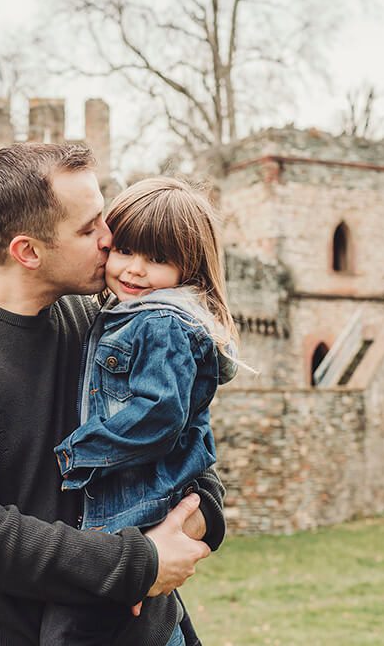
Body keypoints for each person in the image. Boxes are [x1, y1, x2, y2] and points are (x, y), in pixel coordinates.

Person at [0, 144, 226, 645]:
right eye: (89, 229)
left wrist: (188, 533)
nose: (110, 240)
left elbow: (193, 463)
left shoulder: (104, 323)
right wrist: (140, 563)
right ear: (28, 251)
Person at [45, 177, 256, 645]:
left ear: (189, 268)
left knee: (78, 625)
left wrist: (74, 454)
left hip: (139, 498)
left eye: (158, 259)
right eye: (126, 251)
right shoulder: (124, 313)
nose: (135, 270)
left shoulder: (160, 322)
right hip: (135, 497)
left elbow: (158, 415)